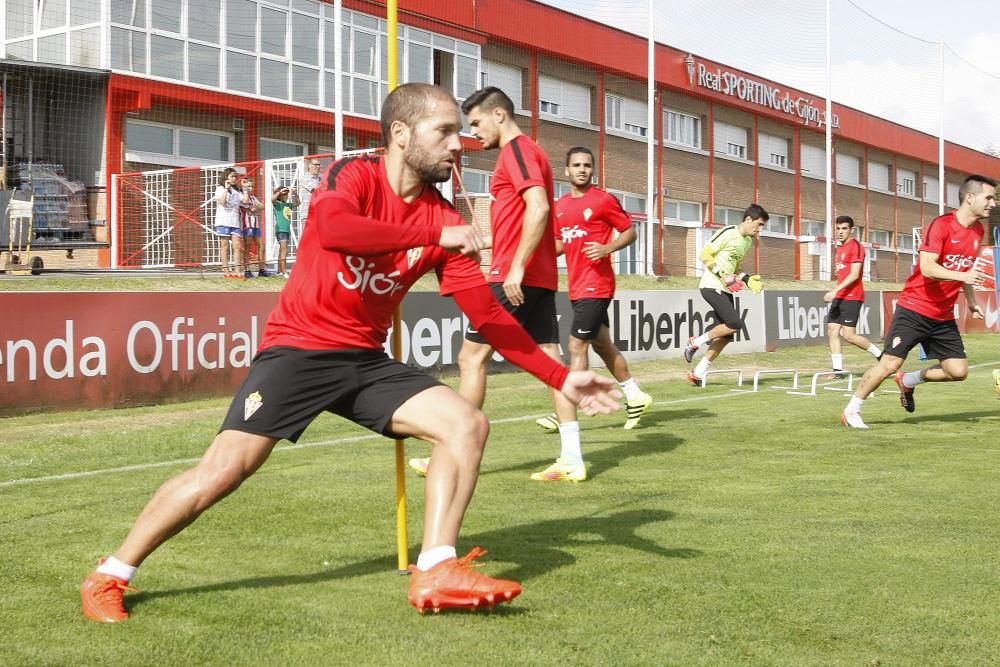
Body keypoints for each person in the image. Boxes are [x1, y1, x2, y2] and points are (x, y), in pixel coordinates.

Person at [79, 83, 620, 623]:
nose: (460, 144)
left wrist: (559, 376)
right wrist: (439, 230)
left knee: (466, 423)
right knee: (223, 472)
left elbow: (489, 317)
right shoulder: (353, 176)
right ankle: (110, 574)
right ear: (401, 134)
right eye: (446, 131)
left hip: (364, 360)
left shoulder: (443, 213)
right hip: (299, 351)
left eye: (461, 130)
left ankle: (436, 566)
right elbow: (336, 230)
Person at [408, 87, 589, 483]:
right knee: (550, 365)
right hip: (535, 277)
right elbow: (533, 221)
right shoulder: (530, 154)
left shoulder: (518, 152)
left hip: (514, 280)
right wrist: (482, 241)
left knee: (471, 359)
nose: (473, 133)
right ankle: (572, 457)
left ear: (500, 116)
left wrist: (516, 268)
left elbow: (540, 208)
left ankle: (452, 452)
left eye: (475, 123)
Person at [841, 174, 995, 429]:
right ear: (970, 197)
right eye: (988, 197)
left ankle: (908, 380)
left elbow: (965, 269)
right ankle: (852, 409)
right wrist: (963, 276)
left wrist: (971, 300)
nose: (993, 203)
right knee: (890, 363)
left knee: (958, 372)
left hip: (943, 315)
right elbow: (927, 267)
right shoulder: (942, 225)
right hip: (914, 308)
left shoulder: (978, 230)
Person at [534, 146, 652, 433]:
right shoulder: (560, 206)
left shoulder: (602, 200)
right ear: (566, 170)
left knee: (576, 345)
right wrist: (534, 255)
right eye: (576, 165)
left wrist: (607, 247)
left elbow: (630, 231)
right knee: (601, 344)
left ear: (593, 170)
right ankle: (636, 396)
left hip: (596, 284)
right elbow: (561, 245)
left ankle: (566, 410)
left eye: (587, 165)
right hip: (576, 286)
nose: (582, 169)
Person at [683, 204, 768, 384]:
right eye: (759, 225)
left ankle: (697, 372)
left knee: (727, 335)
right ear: (748, 220)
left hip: (726, 288)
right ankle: (695, 342)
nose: (760, 230)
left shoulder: (747, 241)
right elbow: (705, 255)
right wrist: (721, 273)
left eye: (762, 226)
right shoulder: (729, 232)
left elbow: (735, 266)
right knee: (735, 323)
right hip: (711, 285)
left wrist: (747, 279)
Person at [822, 215, 881, 373]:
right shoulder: (840, 249)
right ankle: (837, 370)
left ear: (851, 230)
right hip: (840, 296)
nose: (840, 232)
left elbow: (855, 274)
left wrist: (835, 290)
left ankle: (880, 355)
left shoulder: (856, 246)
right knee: (832, 330)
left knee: (849, 335)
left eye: (844, 228)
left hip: (852, 296)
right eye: (838, 228)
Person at [214, 167, 248, 278]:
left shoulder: (236, 191)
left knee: (237, 246)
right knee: (224, 246)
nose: (234, 178)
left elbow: (245, 201)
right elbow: (222, 202)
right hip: (223, 220)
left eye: (235, 176)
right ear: (226, 176)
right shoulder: (220, 188)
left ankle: (238, 271)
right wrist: (226, 189)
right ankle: (226, 271)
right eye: (232, 176)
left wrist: (245, 188)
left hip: (235, 222)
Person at [239, 177, 272, 278]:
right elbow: (245, 206)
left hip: (255, 225)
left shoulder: (253, 198)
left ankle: (262, 269)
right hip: (246, 225)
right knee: (247, 248)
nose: (251, 188)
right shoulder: (241, 196)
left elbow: (261, 206)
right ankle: (247, 271)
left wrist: (255, 208)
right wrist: (252, 208)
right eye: (249, 186)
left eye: (252, 186)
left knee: (262, 246)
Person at [271, 184, 298, 278]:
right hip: (280, 230)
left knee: (282, 250)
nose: (286, 196)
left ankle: (279, 270)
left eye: (287, 194)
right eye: (284, 194)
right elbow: (272, 200)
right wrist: (279, 192)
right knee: (284, 250)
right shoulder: (278, 204)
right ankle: (284, 271)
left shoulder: (288, 205)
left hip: (286, 230)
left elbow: (297, 203)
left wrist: (294, 193)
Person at [296, 157, 324, 226]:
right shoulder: (305, 178)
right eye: (316, 165)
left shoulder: (319, 179)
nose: (318, 167)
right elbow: (319, 190)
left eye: (319, 165)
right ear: (309, 165)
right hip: (308, 215)